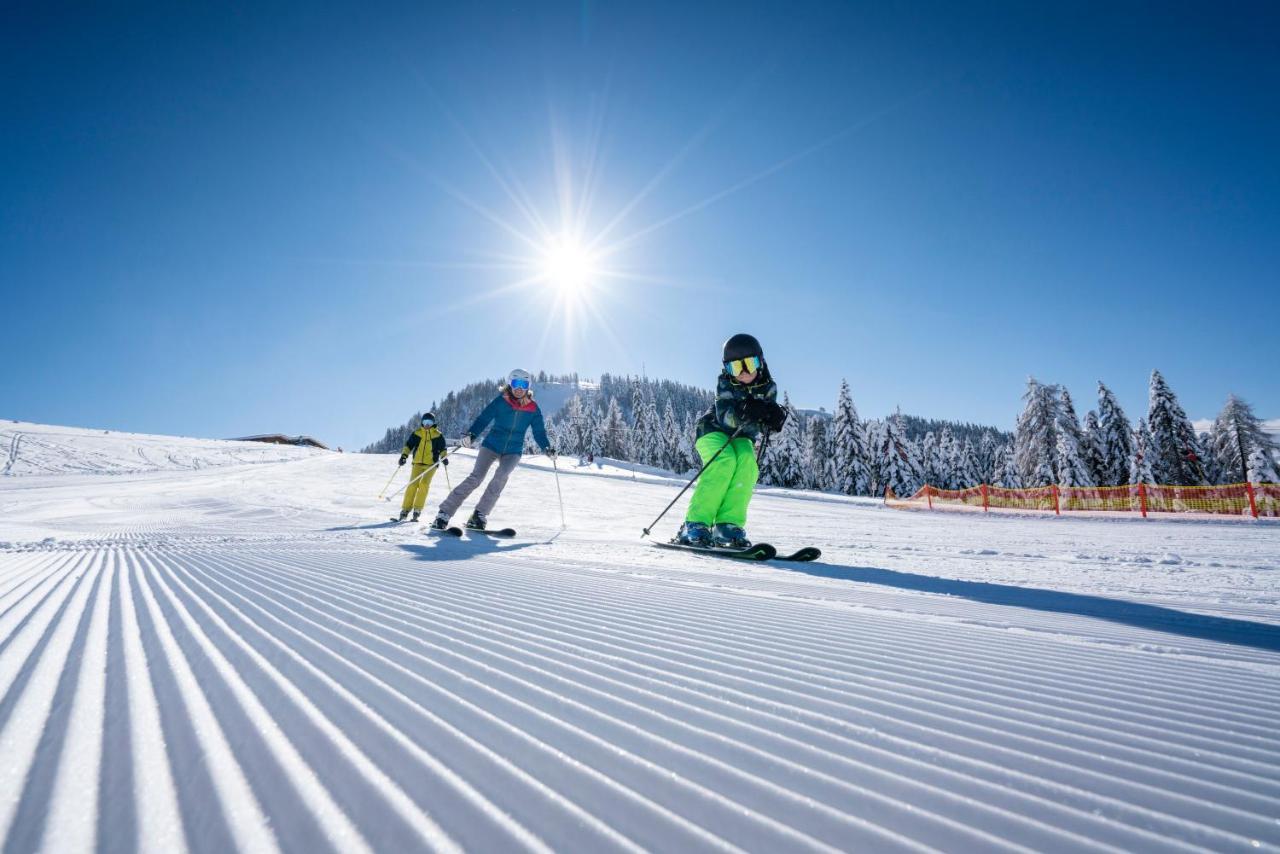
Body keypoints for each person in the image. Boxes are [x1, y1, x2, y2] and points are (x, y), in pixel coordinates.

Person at [676, 333, 787, 548]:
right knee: (724, 462)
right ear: (727, 369)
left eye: (749, 364)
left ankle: (727, 525)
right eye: (736, 368)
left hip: (743, 436)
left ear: (760, 362)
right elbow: (725, 417)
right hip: (712, 430)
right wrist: (745, 410)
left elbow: (764, 424)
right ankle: (696, 523)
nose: (744, 373)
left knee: (747, 465)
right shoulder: (725, 384)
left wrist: (772, 420)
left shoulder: (769, 388)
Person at [431, 369, 555, 531]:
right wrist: (471, 435)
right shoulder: (501, 401)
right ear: (510, 384)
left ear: (528, 386)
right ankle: (444, 513)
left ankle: (479, 515)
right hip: (491, 445)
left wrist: (547, 448)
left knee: (501, 477)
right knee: (476, 477)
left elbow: (539, 432)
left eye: (523, 384)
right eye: (516, 384)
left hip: (513, 450)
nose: (519, 388)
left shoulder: (533, 408)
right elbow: (484, 418)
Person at [397, 412, 448, 522]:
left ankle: (417, 510)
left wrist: (444, 457)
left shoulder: (438, 435)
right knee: (412, 485)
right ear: (422, 422)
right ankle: (405, 510)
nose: (427, 424)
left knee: (424, 484)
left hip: (431, 465)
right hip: (417, 463)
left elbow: (443, 449)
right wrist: (404, 456)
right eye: (425, 422)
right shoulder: (417, 433)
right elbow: (408, 445)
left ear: (433, 423)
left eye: (429, 422)